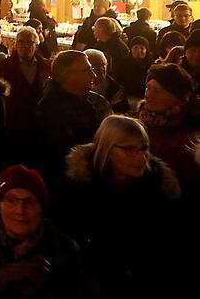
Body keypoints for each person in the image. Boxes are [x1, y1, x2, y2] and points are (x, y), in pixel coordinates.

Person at [58, 115, 183, 298]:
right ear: (106, 149)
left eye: (144, 148)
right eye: (129, 149)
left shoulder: (157, 189)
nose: (141, 157)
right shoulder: (77, 189)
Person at [0, 165, 83, 299]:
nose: (20, 210)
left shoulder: (65, 250)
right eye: (11, 200)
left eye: (29, 202)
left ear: (41, 209)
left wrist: (47, 288)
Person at [33, 50, 111, 179]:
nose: (94, 75)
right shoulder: (51, 108)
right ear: (67, 75)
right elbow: (60, 154)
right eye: (87, 71)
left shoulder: (97, 101)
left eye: (92, 69)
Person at [136, 63, 200, 197]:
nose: (149, 95)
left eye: (157, 90)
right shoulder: (136, 124)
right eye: (148, 88)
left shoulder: (192, 140)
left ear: (178, 98)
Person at [0, 27, 52, 159]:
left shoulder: (46, 66)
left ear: (36, 45)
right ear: (15, 44)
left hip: (40, 124)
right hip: (13, 123)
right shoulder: (4, 66)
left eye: (30, 42)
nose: (25, 46)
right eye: (21, 42)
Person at [86, 49, 129, 113]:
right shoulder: (78, 86)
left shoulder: (117, 90)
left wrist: (109, 106)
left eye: (103, 65)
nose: (101, 69)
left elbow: (124, 112)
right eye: (96, 65)